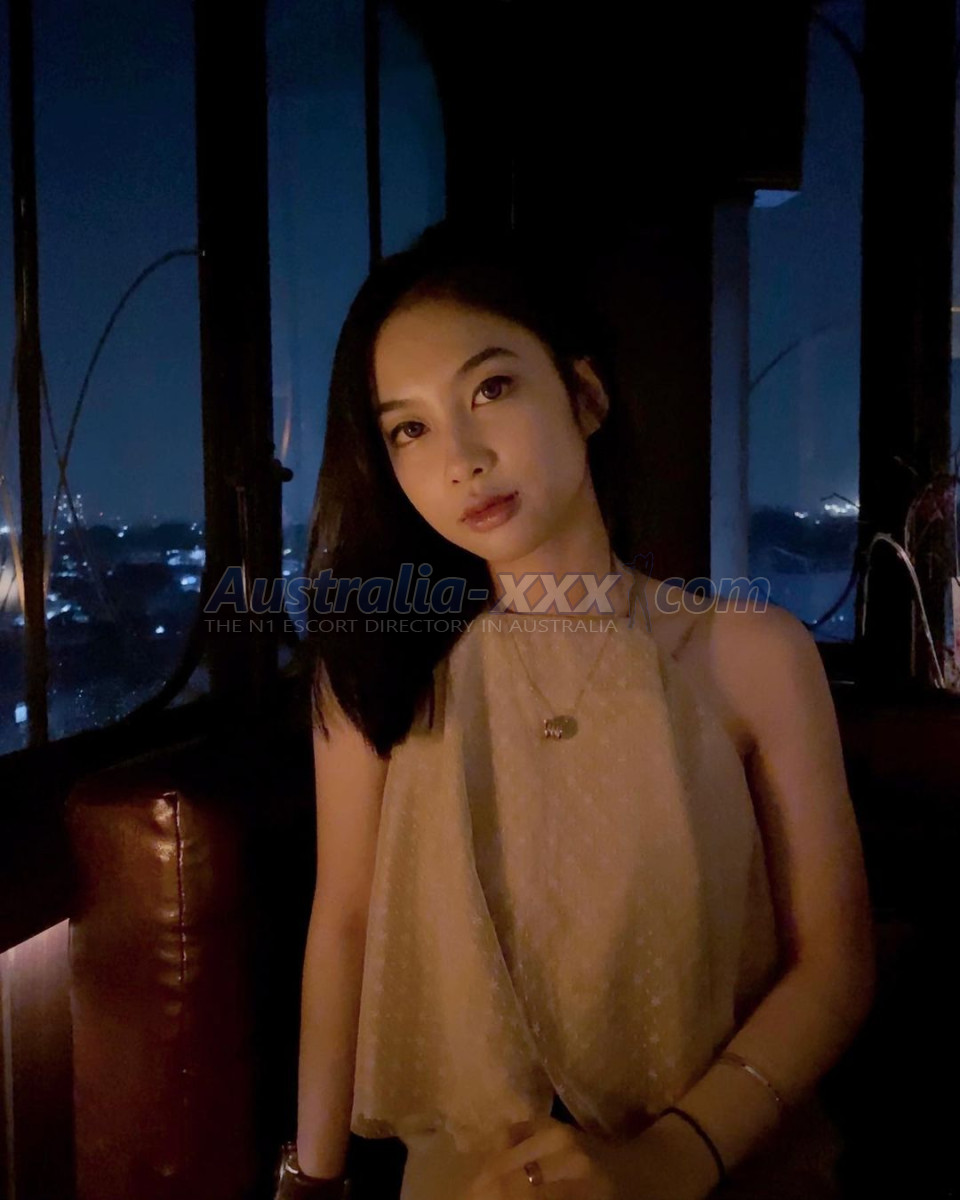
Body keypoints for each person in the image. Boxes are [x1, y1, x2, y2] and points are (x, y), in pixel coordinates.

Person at [273, 220, 875, 1200]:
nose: (462, 457)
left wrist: (673, 1156)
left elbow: (835, 966)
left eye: (491, 389)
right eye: (409, 429)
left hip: (722, 1165)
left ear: (585, 397)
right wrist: (311, 1181)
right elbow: (340, 924)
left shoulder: (752, 655)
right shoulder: (381, 673)